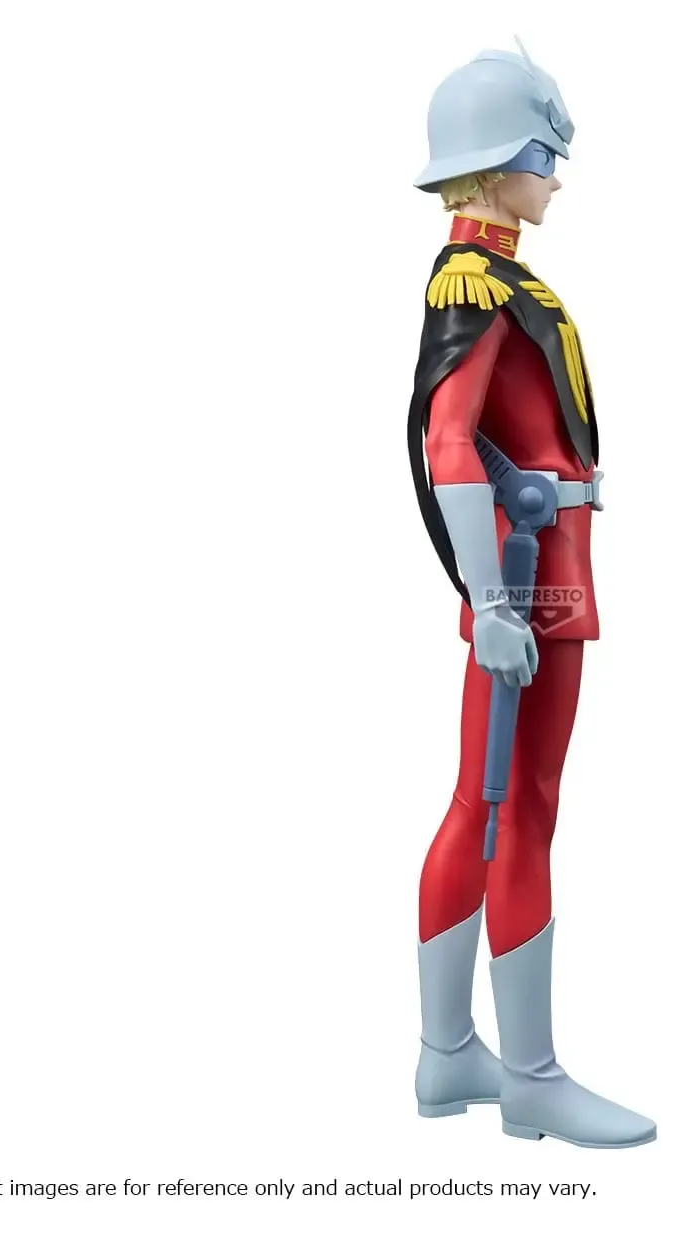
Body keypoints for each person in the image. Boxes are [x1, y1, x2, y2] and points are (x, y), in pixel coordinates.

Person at [407, 42, 655, 1148]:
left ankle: (449, 1056)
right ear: (499, 160)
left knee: (485, 801)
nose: (554, 177)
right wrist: (494, 602)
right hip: (527, 575)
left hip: (537, 565)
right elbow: (447, 443)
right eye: (543, 157)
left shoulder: (501, 279)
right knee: (517, 808)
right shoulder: (472, 281)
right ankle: (530, 1078)